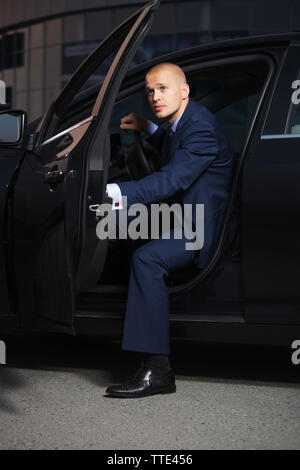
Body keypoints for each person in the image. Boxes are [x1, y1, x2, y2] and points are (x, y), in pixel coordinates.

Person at [104, 62, 233, 398]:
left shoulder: (201, 127)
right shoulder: (184, 122)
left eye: (163, 88)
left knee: (147, 258)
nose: (154, 96)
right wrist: (148, 128)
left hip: (199, 227)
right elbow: (174, 144)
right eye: (150, 91)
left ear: (184, 91)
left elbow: (172, 178)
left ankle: (158, 371)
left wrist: (117, 193)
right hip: (183, 214)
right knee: (119, 236)